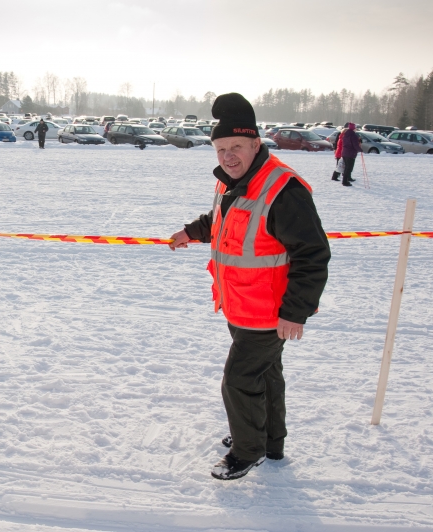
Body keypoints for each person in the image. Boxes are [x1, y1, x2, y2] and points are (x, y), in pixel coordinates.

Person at [169, 93, 330, 480]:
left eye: (236, 147)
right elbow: (222, 219)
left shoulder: (282, 189)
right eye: (221, 148)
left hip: (268, 309)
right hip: (242, 304)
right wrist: (191, 232)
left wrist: (295, 311)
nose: (227, 156)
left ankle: (248, 450)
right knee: (265, 375)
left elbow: (313, 254)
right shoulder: (235, 182)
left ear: (256, 144)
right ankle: (270, 442)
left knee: (239, 380)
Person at [339, 122, 361, 187]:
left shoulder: (346, 134)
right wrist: (360, 149)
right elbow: (355, 145)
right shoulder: (353, 135)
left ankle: (345, 180)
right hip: (350, 153)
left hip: (345, 153)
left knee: (347, 168)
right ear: (353, 128)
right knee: (349, 168)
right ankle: (345, 182)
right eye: (355, 128)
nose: (356, 129)